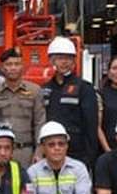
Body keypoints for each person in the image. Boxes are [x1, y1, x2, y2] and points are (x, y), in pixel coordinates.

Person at [41, 37, 99, 169]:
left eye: (68, 58)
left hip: (77, 153)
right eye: (60, 58)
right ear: (51, 60)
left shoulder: (84, 88)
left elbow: (91, 125)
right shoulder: (44, 89)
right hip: (49, 153)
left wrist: (89, 158)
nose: (64, 62)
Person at [0, 49, 45, 169]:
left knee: (26, 186)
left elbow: (39, 122)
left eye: (17, 64)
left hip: (26, 152)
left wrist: (39, 151)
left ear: (22, 66)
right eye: (9, 64)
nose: (13, 68)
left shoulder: (35, 91)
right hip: (0, 152)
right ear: (2, 68)